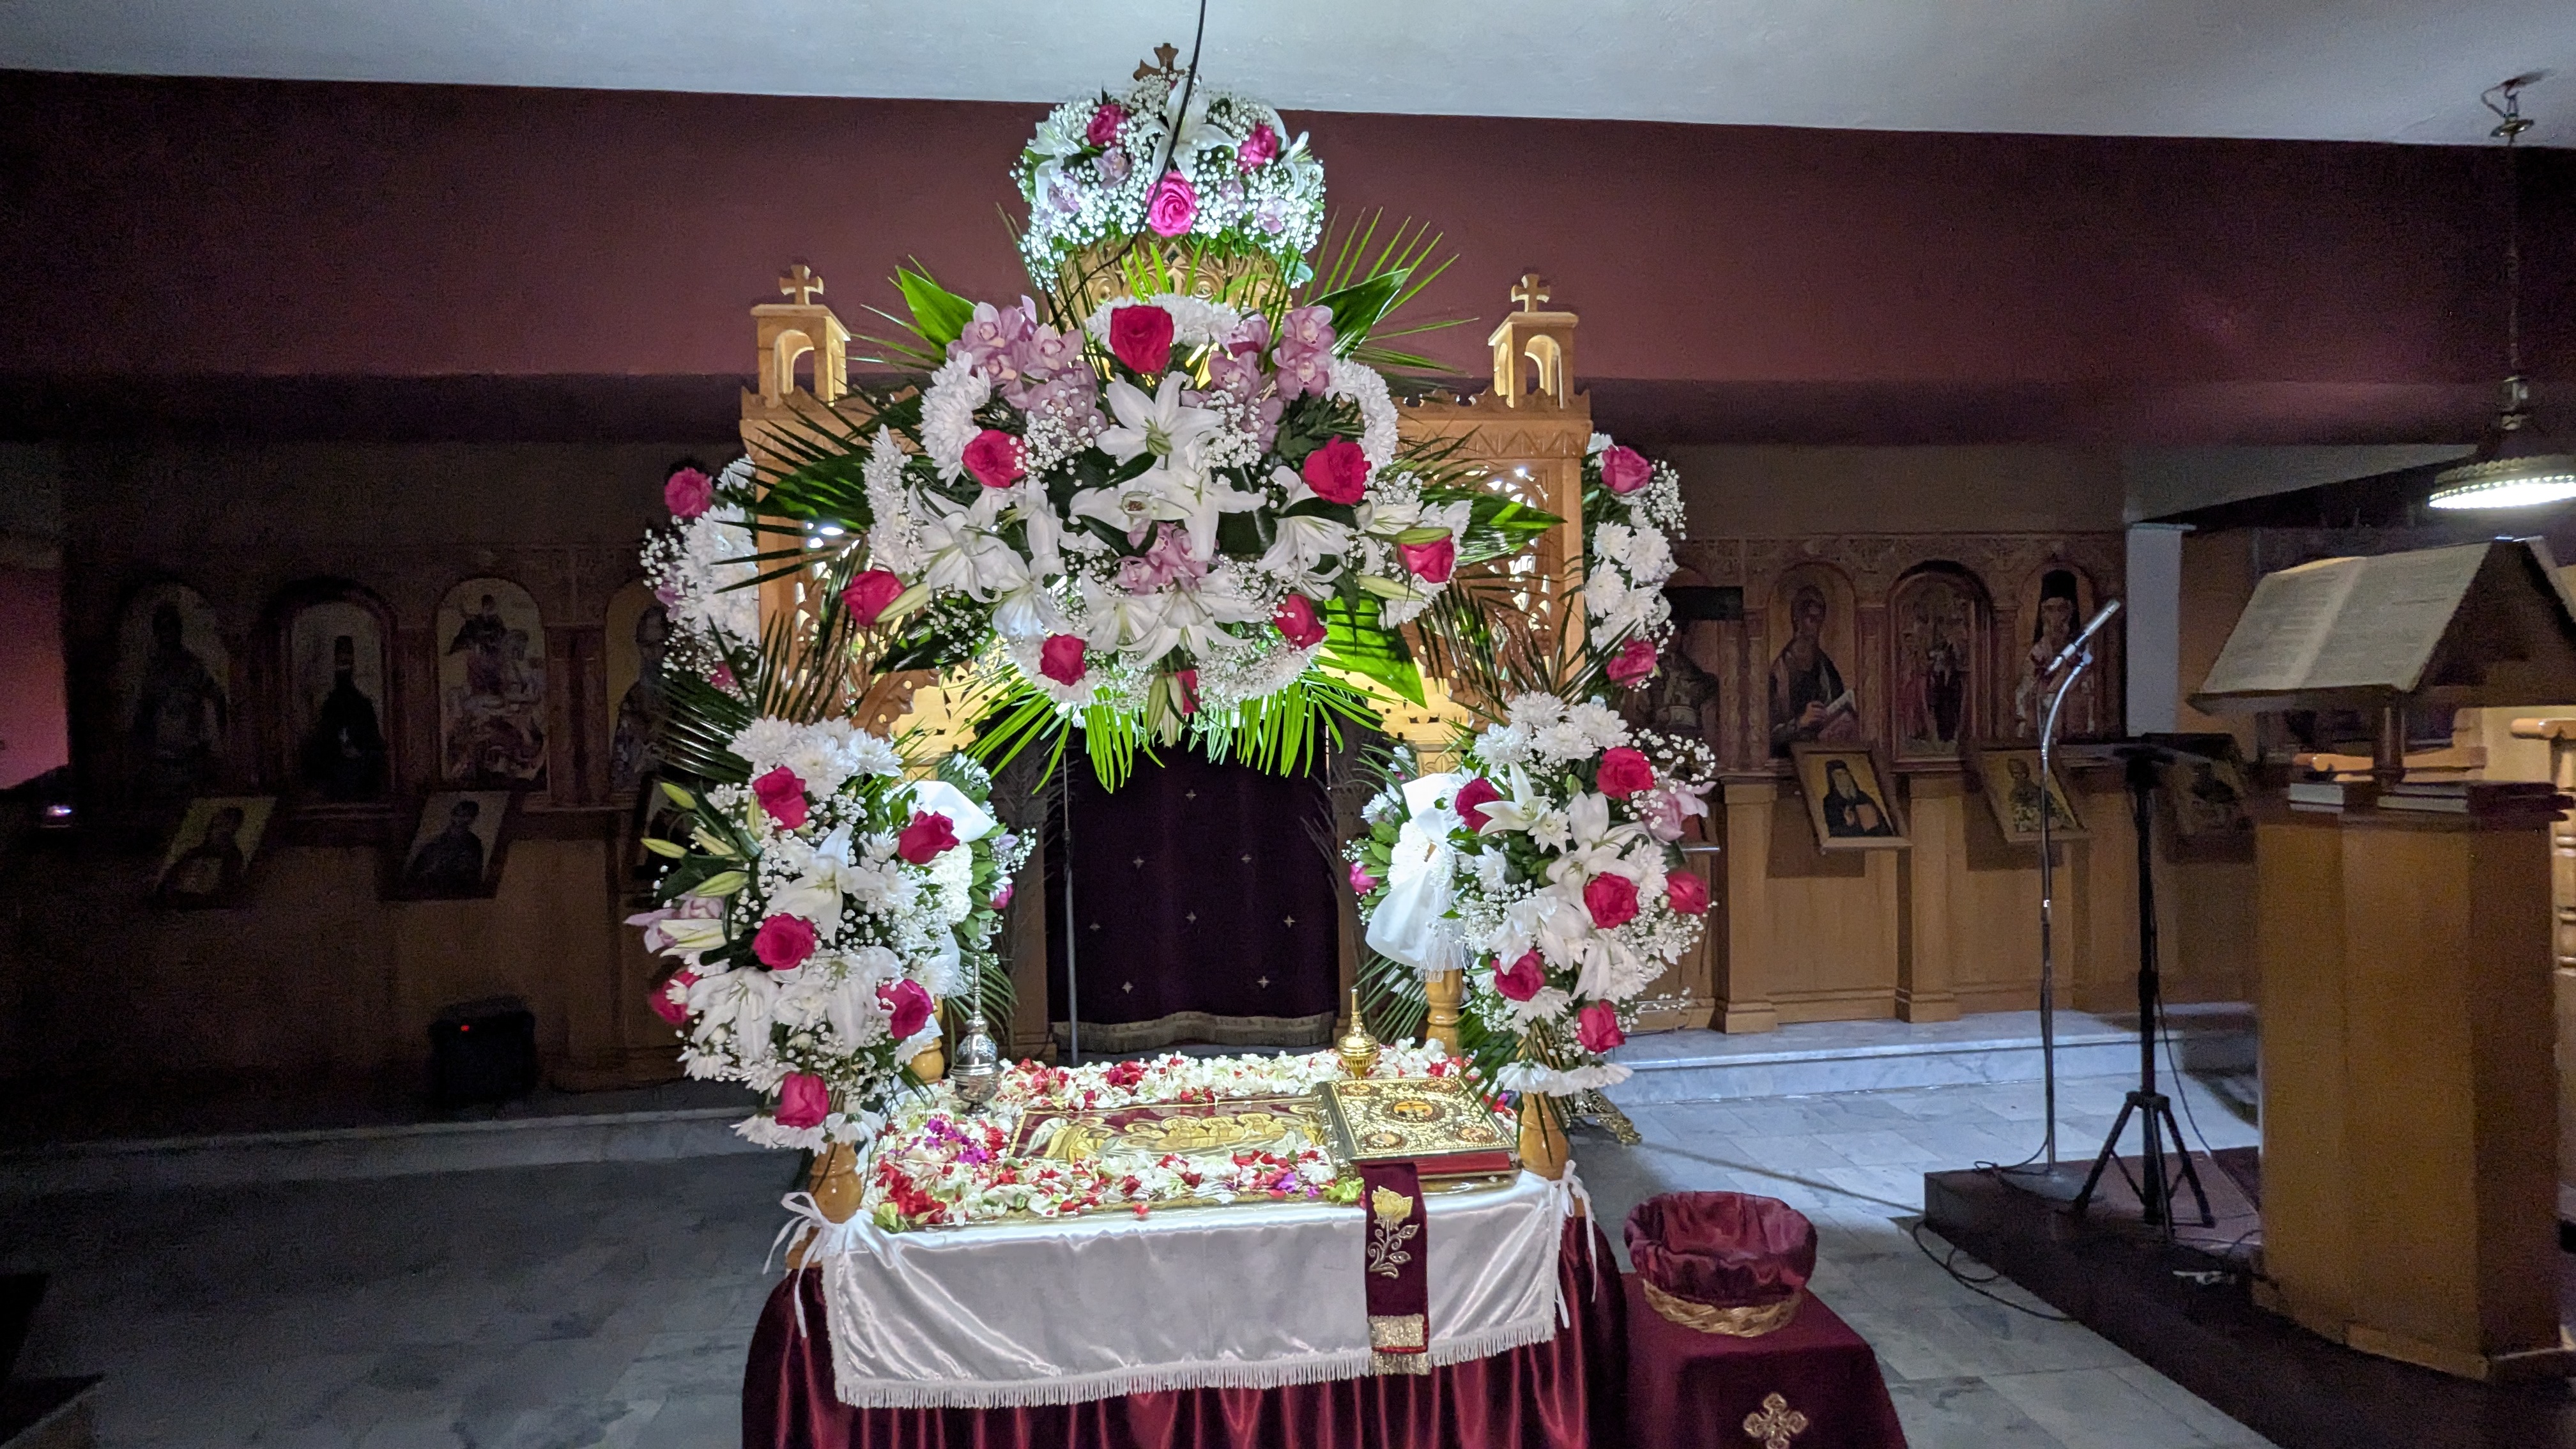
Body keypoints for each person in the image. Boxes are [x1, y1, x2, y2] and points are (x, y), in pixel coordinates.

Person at [129, 601, 227, 799]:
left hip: (191, 754)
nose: (167, 635)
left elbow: (217, 697)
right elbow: (145, 709)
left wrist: (221, 738)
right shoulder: (154, 669)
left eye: (171, 628)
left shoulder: (192, 666)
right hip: (161, 757)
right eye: (163, 629)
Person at [1768, 585, 1855, 755]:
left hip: (1823, 755)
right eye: (1811, 619)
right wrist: (1801, 722)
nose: (1816, 627)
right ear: (1797, 619)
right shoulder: (1780, 673)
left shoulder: (1826, 668)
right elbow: (1766, 736)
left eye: (1819, 620)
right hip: (1790, 758)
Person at [298, 633, 387, 801]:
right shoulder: (331, 703)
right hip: (337, 766)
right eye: (341, 659)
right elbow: (330, 732)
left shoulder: (363, 704)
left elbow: (371, 737)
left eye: (347, 658)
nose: (344, 663)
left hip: (358, 765)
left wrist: (357, 749)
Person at [2014, 570, 2095, 739]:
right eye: (2050, 610)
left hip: (2075, 732)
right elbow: (2023, 695)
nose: (2056, 618)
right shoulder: (2037, 654)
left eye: (2062, 609)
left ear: (2071, 612)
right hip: (2043, 732)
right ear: (2043, 614)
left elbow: (2090, 691)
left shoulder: (2084, 653)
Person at [609, 604, 670, 794]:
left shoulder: (689, 695)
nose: (652, 653)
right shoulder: (633, 699)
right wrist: (640, 765)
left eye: (660, 643)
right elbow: (619, 774)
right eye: (645, 645)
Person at [162, 804, 247, 901]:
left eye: (222, 826)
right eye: (215, 826)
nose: (215, 831)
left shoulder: (232, 856)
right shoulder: (194, 853)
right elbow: (171, 879)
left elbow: (225, 889)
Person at [406, 797, 489, 893]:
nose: (462, 819)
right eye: (460, 815)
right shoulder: (435, 844)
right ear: (453, 816)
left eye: (468, 816)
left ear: (472, 819)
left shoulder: (473, 844)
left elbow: (472, 875)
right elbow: (416, 872)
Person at [1819, 759, 1895, 837]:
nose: (1844, 778)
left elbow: (1883, 824)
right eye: (1839, 775)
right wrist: (1849, 823)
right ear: (1833, 779)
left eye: (1845, 774)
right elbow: (1835, 832)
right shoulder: (1831, 801)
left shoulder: (1863, 797)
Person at [2005, 756, 2073, 836]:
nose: (2019, 777)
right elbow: (2019, 819)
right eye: (2015, 773)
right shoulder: (2014, 796)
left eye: (2022, 773)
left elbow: (2060, 813)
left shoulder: (2043, 793)